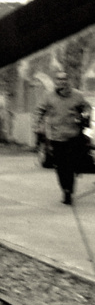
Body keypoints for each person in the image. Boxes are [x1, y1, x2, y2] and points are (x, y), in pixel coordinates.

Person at [36, 71, 92, 205]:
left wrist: (85, 116)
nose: (62, 82)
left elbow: (87, 107)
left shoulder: (77, 95)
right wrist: (37, 126)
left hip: (73, 136)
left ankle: (69, 191)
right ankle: (65, 188)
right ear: (56, 82)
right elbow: (40, 111)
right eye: (59, 80)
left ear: (68, 81)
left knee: (71, 165)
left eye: (64, 79)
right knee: (60, 167)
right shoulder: (49, 96)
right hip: (57, 137)